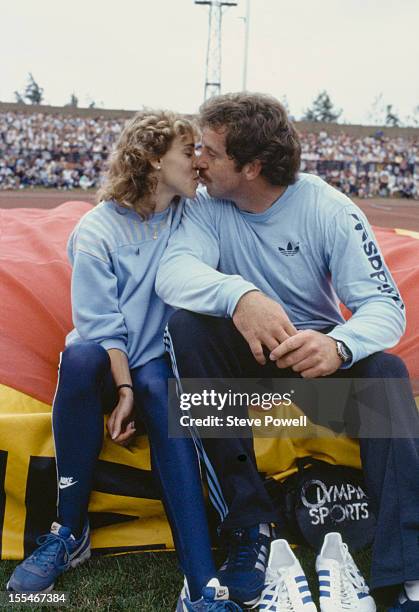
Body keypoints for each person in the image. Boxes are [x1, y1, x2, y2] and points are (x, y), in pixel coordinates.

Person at [156, 93, 419, 611]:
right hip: (243, 376)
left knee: (386, 372)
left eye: (209, 150)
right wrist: (240, 296)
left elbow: (385, 306)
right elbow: (174, 272)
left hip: (314, 379)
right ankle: (249, 528)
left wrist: (338, 346)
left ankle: (408, 571)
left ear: (252, 166)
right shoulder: (204, 204)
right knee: (187, 329)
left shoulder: (327, 206)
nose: (197, 160)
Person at [6, 109, 242, 612]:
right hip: (106, 356)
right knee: (80, 355)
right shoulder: (96, 231)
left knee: (160, 387)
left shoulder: (189, 211)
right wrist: (124, 391)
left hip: (157, 360)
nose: (197, 163)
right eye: (187, 152)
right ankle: (69, 530)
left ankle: (200, 582)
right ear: (155, 159)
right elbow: (100, 325)